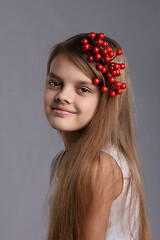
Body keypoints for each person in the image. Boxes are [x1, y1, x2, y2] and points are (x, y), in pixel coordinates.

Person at [43, 32, 152, 240]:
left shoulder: (98, 166)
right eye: (55, 83)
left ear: (106, 100)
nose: (62, 96)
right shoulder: (64, 162)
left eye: (82, 89)